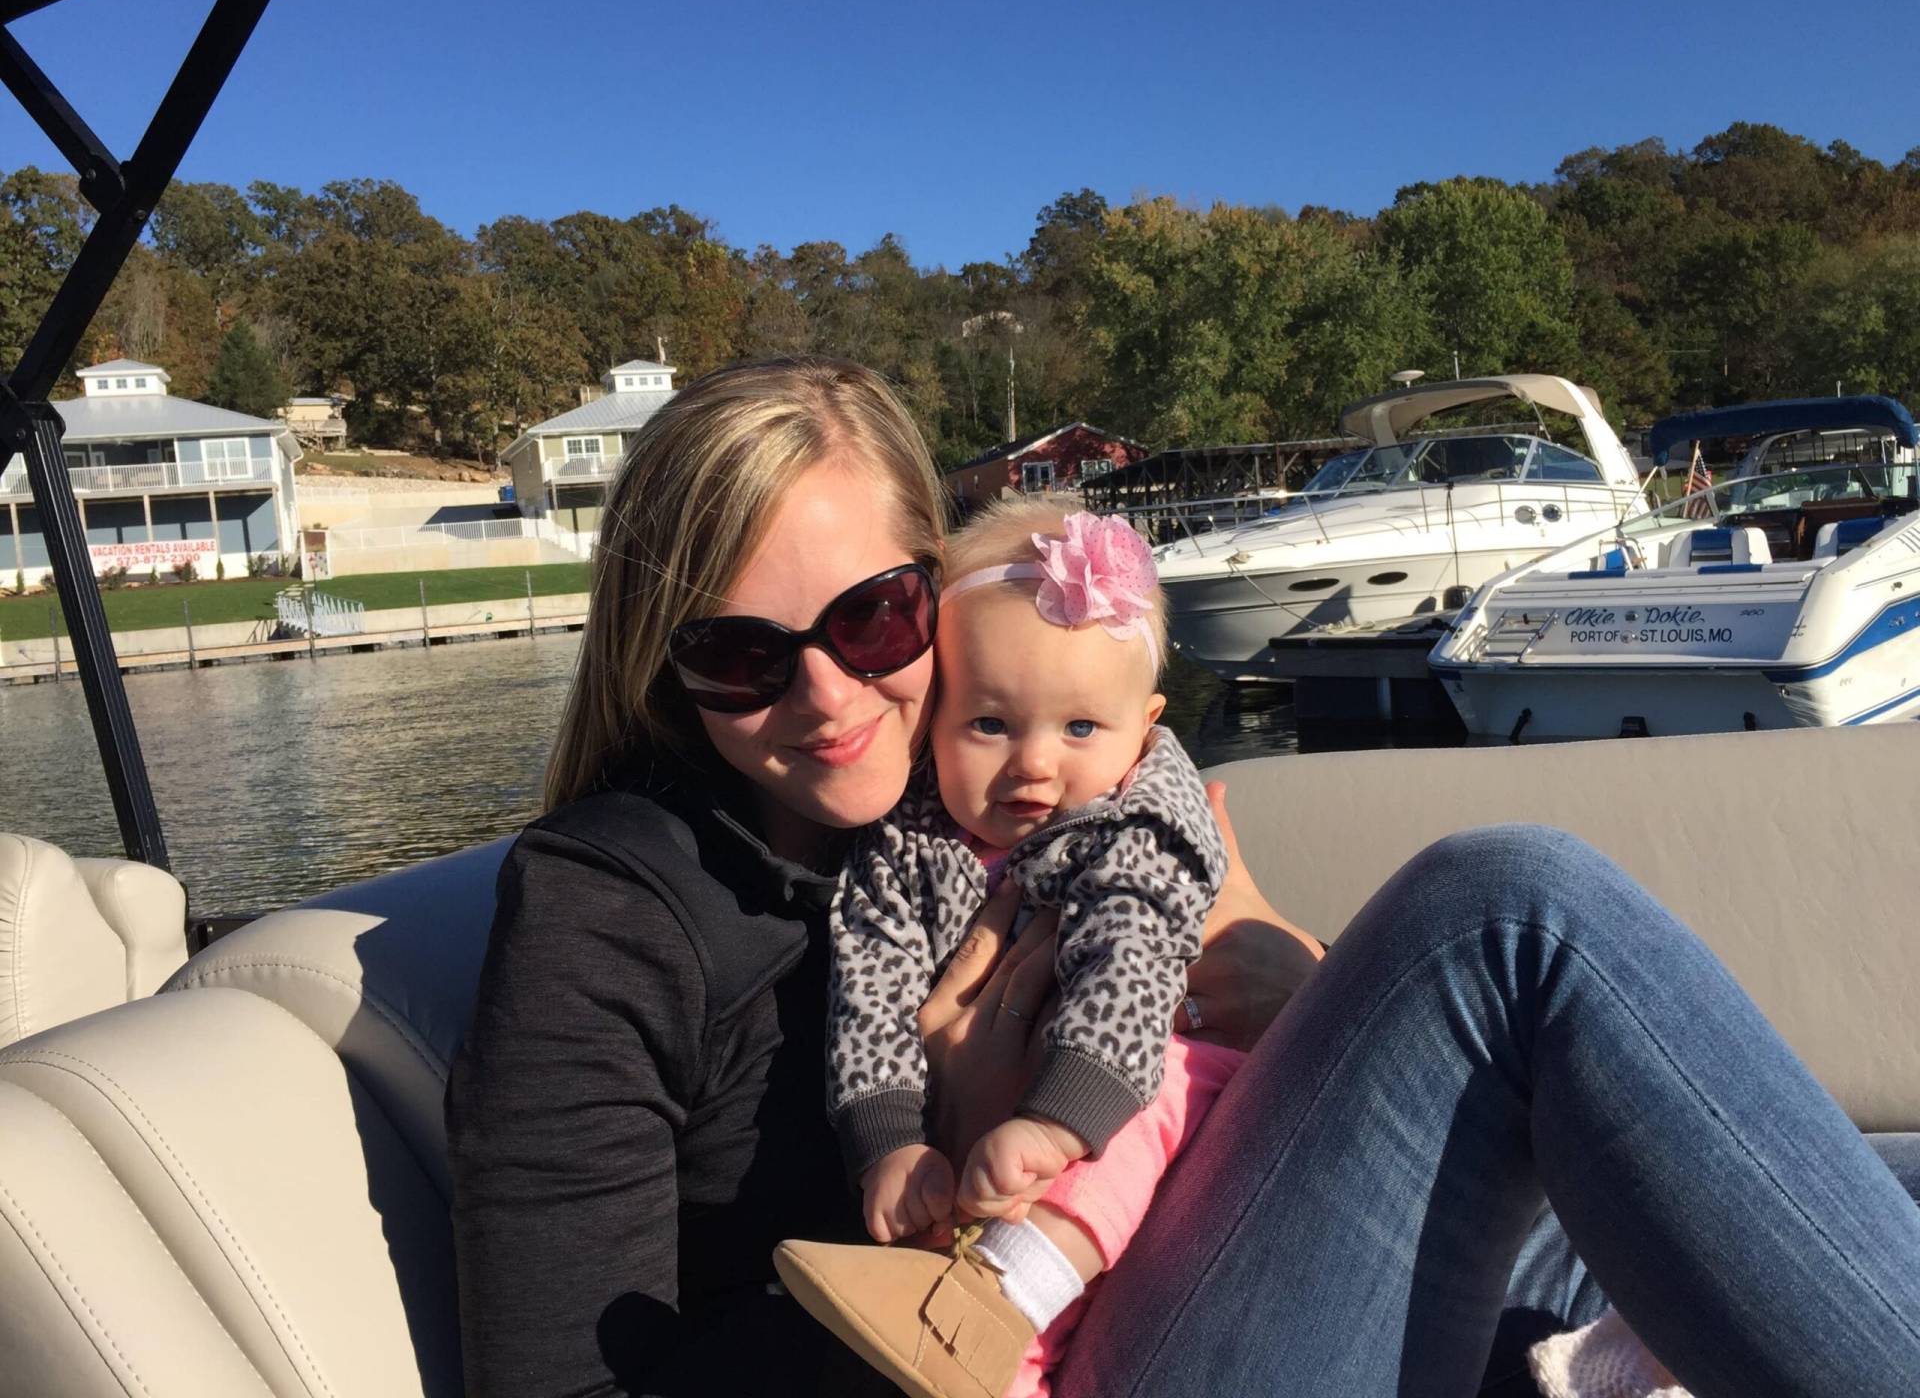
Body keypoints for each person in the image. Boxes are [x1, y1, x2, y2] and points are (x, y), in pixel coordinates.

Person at [447, 356, 1920, 1398]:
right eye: (739, 654)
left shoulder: (1058, 808)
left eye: (877, 619)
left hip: (1204, 1268)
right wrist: (962, 1167)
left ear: (951, 597)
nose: (827, 695)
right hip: (1027, 1349)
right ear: (663, 663)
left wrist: (1306, 999)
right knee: (1510, 920)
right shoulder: (606, 914)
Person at [776, 497, 1240, 1398]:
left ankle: (1001, 1299)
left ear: (1144, 728)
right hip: (986, 1143)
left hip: (1131, 1100)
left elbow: (1130, 967)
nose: (1033, 764)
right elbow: (869, 990)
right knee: (967, 1207)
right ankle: (992, 1358)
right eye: (989, 724)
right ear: (931, 723)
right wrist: (889, 1142)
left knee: (1174, 1080)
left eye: (1079, 729)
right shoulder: (906, 848)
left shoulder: (1135, 830)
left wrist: (1059, 1116)